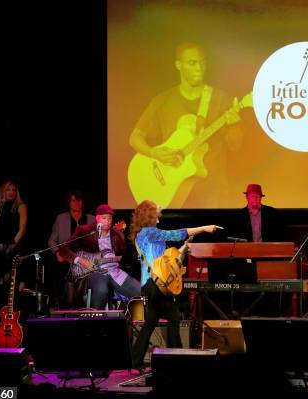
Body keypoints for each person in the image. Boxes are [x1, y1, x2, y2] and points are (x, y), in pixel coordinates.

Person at [129, 42, 243, 208]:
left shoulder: (220, 99)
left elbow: (236, 146)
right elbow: (135, 138)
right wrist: (154, 153)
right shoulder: (163, 100)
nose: (199, 68)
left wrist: (235, 124)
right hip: (171, 191)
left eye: (202, 62)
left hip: (212, 194)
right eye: (192, 63)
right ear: (178, 65)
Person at [129, 200, 221, 371]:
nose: (158, 220)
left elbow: (169, 259)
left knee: (150, 322)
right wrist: (204, 228)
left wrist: (184, 248)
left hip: (150, 284)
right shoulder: (149, 233)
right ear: (149, 217)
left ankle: (135, 360)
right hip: (154, 284)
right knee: (173, 317)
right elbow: (178, 234)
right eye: (156, 217)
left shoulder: (145, 235)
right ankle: (176, 359)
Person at [58, 204, 140, 309]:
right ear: (97, 218)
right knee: (101, 290)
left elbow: (124, 257)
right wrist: (79, 260)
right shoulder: (85, 231)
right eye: (104, 218)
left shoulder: (117, 235)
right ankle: (95, 320)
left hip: (115, 273)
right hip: (95, 272)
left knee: (140, 291)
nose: (107, 221)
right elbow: (63, 249)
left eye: (109, 218)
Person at [47, 190, 96, 308]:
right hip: (66, 260)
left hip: (85, 260)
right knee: (59, 271)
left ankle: (80, 305)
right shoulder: (61, 218)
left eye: (79, 200)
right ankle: (66, 304)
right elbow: (51, 240)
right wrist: (57, 252)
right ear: (68, 203)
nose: (76, 203)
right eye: (73, 200)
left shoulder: (92, 219)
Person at [0, 181, 28, 309]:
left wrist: (12, 245)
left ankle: (14, 310)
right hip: (1, 247)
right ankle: (0, 310)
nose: (11, 192)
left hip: (16, 246)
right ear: (3, 192)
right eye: (8, 190)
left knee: (13, 280)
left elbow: (22, 229)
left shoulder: (20, 206)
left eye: (14, 190)